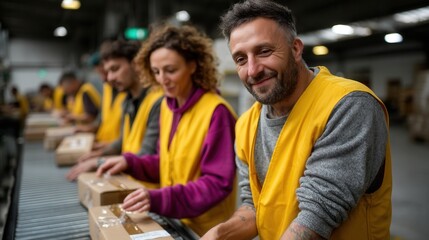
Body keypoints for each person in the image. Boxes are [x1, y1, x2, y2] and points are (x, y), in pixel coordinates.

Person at [202, 1, 392, 240]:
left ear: (295, 48)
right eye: (241, 59)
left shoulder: (348, 104)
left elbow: (317, 216)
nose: (252, 70)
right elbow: (254, 206)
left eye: (264, 51)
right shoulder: (246, 124)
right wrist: (217, 235)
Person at [96, 25, 237, 236]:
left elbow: (217, 183)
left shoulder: (216, 112)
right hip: (177, 222)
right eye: (156, 71)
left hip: (208, 231)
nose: (162, 79)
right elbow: (166, 164)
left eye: (170, 70)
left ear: (192, 65)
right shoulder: (167, 106)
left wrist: (159, 199)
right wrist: (130, 162)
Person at [66, 40, 162, 181]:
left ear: (136, 64)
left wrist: (100, 162)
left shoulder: (158, 102)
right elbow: (123, 140)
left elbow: (146, 154)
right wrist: (100, 153)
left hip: (147, 189)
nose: (109, 78)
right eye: (107, 71)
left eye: (115, 69)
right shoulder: (128, 102)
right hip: (130, 181)